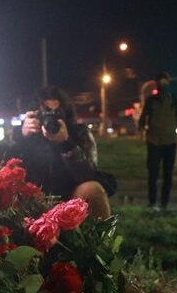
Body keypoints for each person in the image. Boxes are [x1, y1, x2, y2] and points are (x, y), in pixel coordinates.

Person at [6, 86, 110, 220]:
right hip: (31, 198)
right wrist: (21, 136)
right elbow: (4, 167)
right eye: (46, 112)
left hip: (70, 196)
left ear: (66, 113)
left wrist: (67, 143)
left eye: (56, 113)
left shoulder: (79, 132)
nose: (51, 118)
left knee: (93, 189)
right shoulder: (25, 132)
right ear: (35, 114)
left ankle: (102, 233)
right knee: (6, 191)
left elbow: (89, 174)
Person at [138, 72, 177, 210]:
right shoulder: (151, 100)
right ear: (157, 84)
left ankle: (164, 203)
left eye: (165, 83)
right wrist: (142, 131)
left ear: (168, 83)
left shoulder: (175, 100)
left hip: (170, 142)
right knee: (152, 173)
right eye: (160, 83)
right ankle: (152, 202)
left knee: (168, 174)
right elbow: (143, 117)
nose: (163, 85)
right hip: (153, 141)